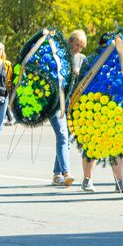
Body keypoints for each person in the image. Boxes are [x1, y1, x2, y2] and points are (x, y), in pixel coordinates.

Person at [69, 31, 123, 194]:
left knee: (117, 147)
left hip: (115, 109)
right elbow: (80, 84)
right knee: (91, 146)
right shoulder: (90, 61)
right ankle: (87, 180)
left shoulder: (120, 62)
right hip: (93, 108)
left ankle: (120, 182)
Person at [48, 33, 74, 187]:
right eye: (76, 45)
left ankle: (57, 174)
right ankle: (66, 173)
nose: (78, 49)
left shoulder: (81, 59)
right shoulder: (57, 58)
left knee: (66, 139)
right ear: (69, 43)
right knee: (62, 135)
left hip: (72, 103)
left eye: (81, 47)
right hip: (56, 103)